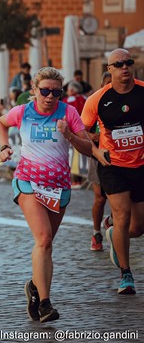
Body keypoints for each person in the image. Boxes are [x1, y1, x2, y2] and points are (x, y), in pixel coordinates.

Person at [0, 67, 92, 322]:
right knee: (44, 238)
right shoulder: (23, 112)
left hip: (58, 186)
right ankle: (46, 305)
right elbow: (1, 123)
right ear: (34, 91)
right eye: (45, 91)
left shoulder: (68, 112)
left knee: (46, 245)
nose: (50, 97)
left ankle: (34, 287)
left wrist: (69, 135)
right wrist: (4, 146)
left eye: (56, 92)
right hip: (27, 181)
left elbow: (88, 148)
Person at [81, 48, 144, 295]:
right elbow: (81, 129)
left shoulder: (142, 90)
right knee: (122, 214)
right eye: (118, 64)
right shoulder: (97, 99)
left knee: (137, 227)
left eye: (128, 62)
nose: (125, 67)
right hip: (113, 165)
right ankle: (125, 275)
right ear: (110, 69)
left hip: (140, 164)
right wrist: (96, 152)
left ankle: (111, 231)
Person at [86, 72, 112, 251]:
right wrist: (95, 136)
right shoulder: (95, 101)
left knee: (124, 199)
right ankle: (96, 232)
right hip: (98, 155)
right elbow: (81, 130)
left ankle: (110, 221)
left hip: (122, 156)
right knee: (100, 198)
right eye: (107, 83)